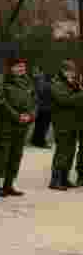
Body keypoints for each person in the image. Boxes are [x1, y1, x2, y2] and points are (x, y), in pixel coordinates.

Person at [0, 55, 36, 198]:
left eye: (23, 66)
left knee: (16, 155)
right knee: (2, 155)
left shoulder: (28, 81)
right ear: (11, 68)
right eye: (19, 66)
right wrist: (16, 115)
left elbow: (34, 100)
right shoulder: (2, 80)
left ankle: (8, 185)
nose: (22, 69)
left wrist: (30, 115)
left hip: (22, 126)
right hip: (7, 125)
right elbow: (0, 101)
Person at [48, 60, 83, 190]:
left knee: (70, 152)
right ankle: (55, 180)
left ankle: (64, 177)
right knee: (62, 151)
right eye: (69, 71)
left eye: (73, 71)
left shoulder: (71, 84)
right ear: (63, 71)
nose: (72, 73)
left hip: (73, 123)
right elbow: (64, 100)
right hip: (62, 123)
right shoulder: (56, 84)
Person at [31, 69, 52, 148]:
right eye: (34, 72)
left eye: (36, 72)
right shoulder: (41, 81)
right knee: (42, 126)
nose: (34, 74)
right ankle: (40, 142)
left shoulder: (37, 81)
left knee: (39, 125)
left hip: (41, 107)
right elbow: (41, 93)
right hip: (45, 107)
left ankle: (35, 140)